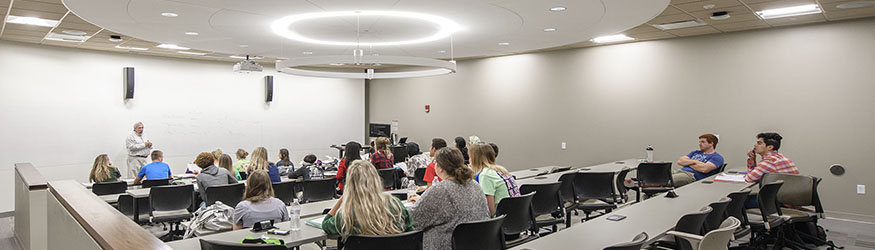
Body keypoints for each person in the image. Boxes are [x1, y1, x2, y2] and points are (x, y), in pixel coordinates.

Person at [407, 147, 490, 250]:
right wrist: (423, 199)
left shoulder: (440, 190)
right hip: (477, 244)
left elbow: (412, 219)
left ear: (440, 168)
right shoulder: (474, 185)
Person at [321, 160, 413, 240]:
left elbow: (326, 224)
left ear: (349, 185)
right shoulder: (395, 204)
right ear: (376, 179)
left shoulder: (347, 215)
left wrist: (343, 196)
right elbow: (410, 232)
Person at [469, 143, 520, 216]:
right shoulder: (501, 170)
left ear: (474, 159)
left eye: (470, 157)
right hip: (515, 216)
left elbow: (490, 211)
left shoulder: (485, 175)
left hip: (500, 220)